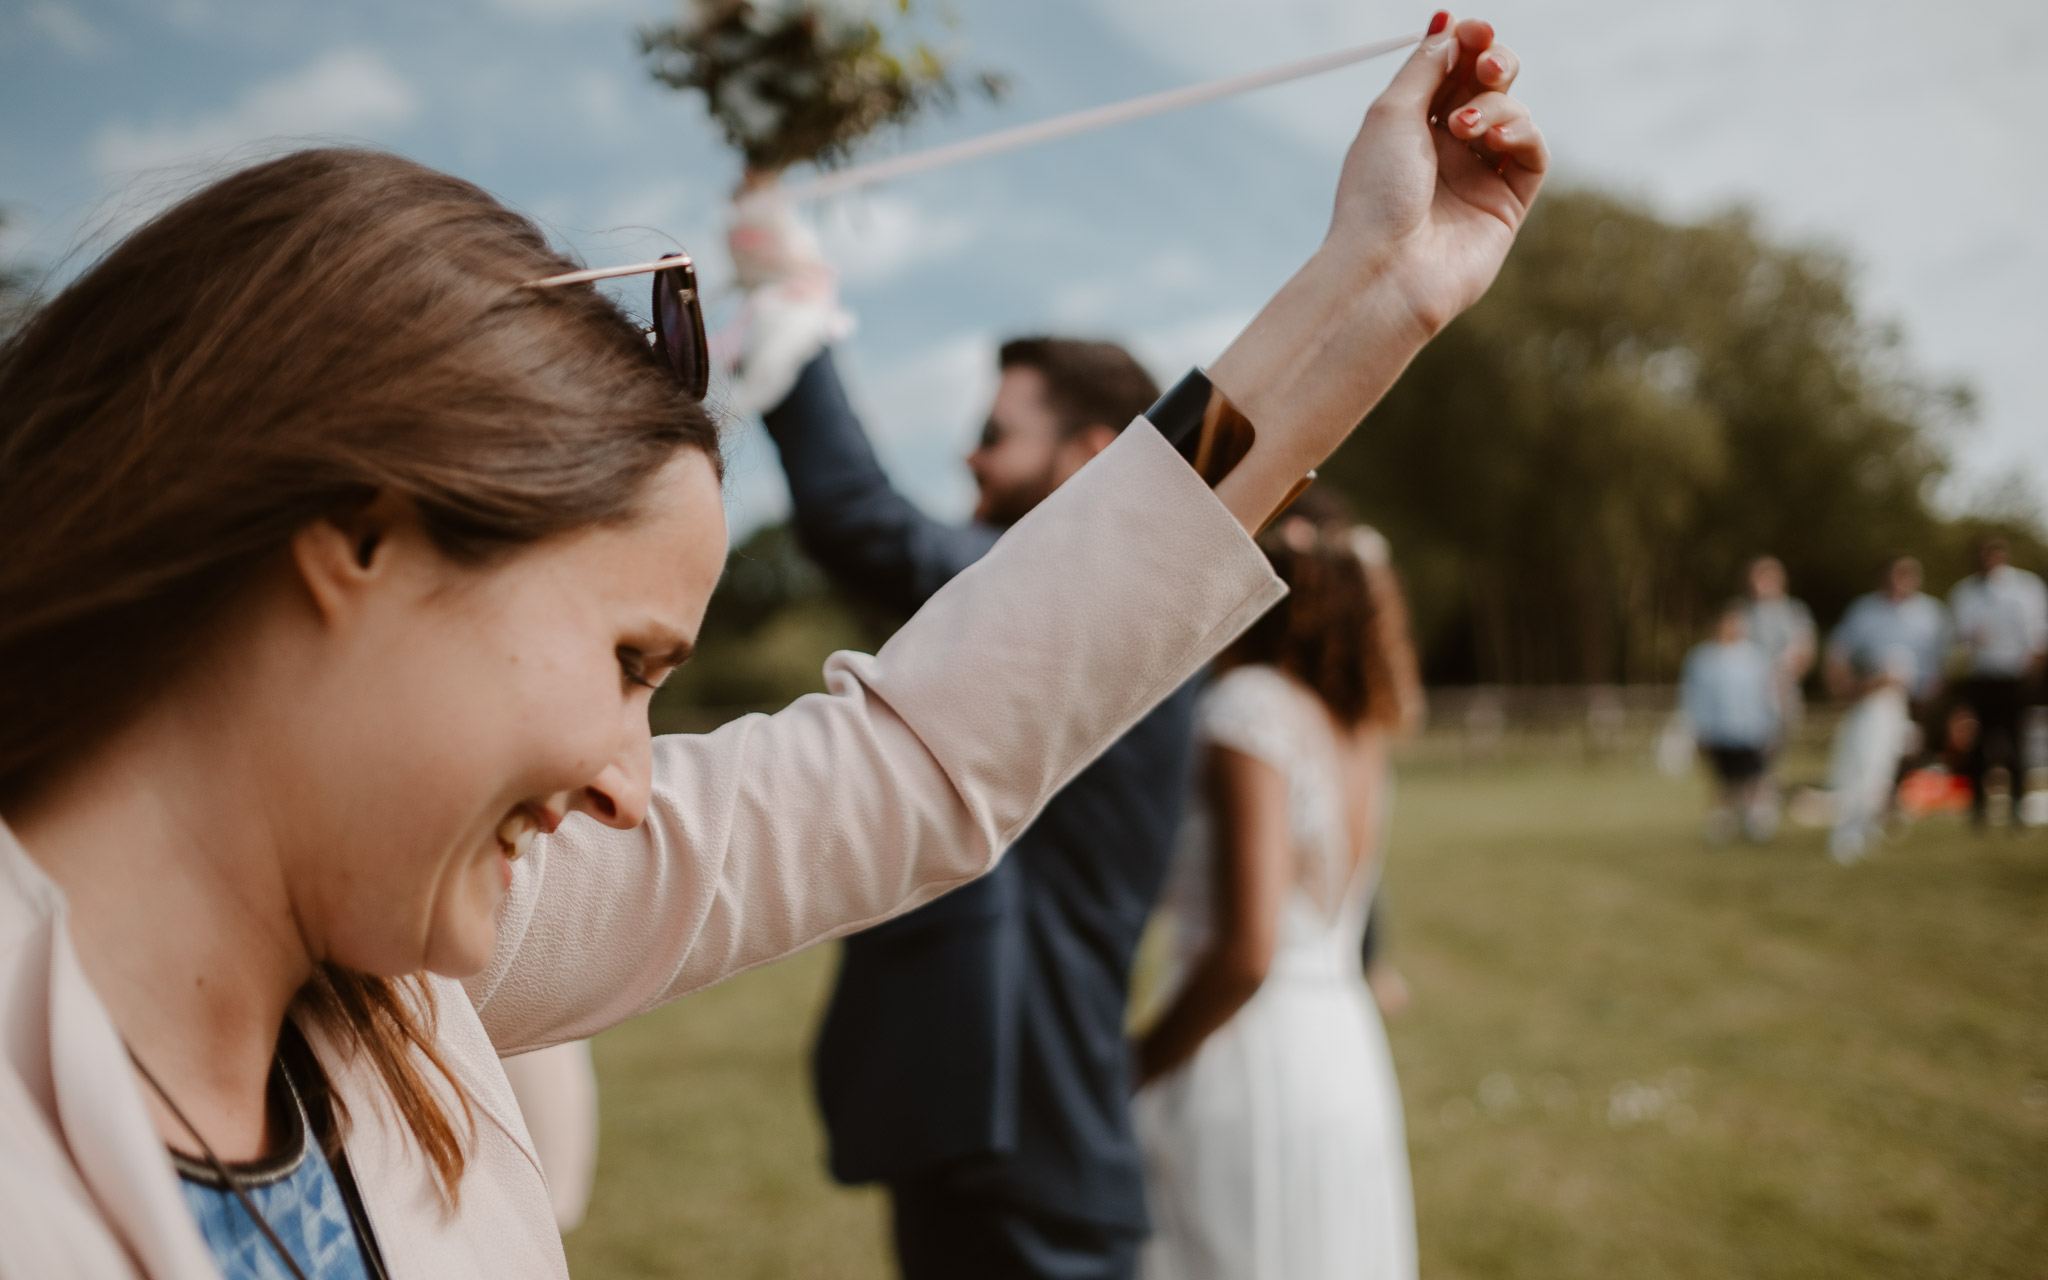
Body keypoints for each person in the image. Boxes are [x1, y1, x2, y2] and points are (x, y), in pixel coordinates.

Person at [0, 16, 1546, 1278]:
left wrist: (1372, 297)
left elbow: (916, 750)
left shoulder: (410, 975)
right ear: (360, 536)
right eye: (626, 663)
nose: (630, 784)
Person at [735, 318, 1184, 1275]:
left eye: (996, 431)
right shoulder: (1066, 627)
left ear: (1091, 455)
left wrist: (795, 318)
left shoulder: (1102, 609)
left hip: (1025, 1144)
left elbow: (864, 521)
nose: (968, 454)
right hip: (991, 1136)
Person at [1133, 503, 1425, 1280]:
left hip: (1248, 1059)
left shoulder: (1251, 710)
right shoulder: (1357, 728)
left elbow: (1246, 953)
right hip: (1342, 1047)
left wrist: (1136, 1065)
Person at [1824, 556, 1950, 861]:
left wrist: (1929, 700)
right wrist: (1851, 686)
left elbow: (1940, 663)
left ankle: (1884, 814)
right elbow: (1838, 652)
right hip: (1875, 701)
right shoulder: (1864, 611)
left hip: (1916, 702)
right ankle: (1859, 825)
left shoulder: (1932, 613)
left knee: (1904, 762)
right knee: (1868, 765)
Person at [1948, 537, 2048, 827]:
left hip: (2014, 676)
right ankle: (1978, 806)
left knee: (2015, 741)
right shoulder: (1964, 592)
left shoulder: (2026, 589)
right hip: (1980, 676)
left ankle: (2018, 805)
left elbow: (2038, 634)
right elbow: (1957, 637)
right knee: (1977, 742)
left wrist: (2034, 670)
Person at [1680, 601, 1782, 843]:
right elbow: (1693, 698)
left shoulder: (1755, 657)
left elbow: (1767, 695)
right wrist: (1696, 731)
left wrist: (1770, 726)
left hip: (1750, 730)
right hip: (1718, 731)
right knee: (1722, 780)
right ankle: (1722, 822)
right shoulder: (1702, 659)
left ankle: (1756, 823)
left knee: (1754, 778)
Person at [1742, 555, 1816, 756]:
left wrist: (1783, 673)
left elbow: (1804, 652)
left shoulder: (1795, 612)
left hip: (1783, 687)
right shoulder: (1740, 612)